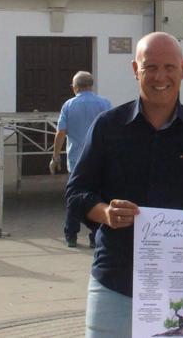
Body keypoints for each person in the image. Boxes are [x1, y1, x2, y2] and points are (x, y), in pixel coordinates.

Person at [65, 32, 183, 337]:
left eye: (170, 67)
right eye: (150, 68)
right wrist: (105, 212)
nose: (161, 77)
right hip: (116, 279)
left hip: (182, 281)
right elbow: (77, 193)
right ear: (135, 69)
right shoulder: (108, 127)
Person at [51, 70, 112, 248]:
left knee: (74, 197)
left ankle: (71, 234)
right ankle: (95, 235)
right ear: (91, 85)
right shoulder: (105, 103)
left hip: (76, 160)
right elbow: (112, 130)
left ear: (75, 87)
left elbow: (60, 132)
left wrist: (55, 156)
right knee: (99, 198)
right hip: (101, 160)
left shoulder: (69, 105)